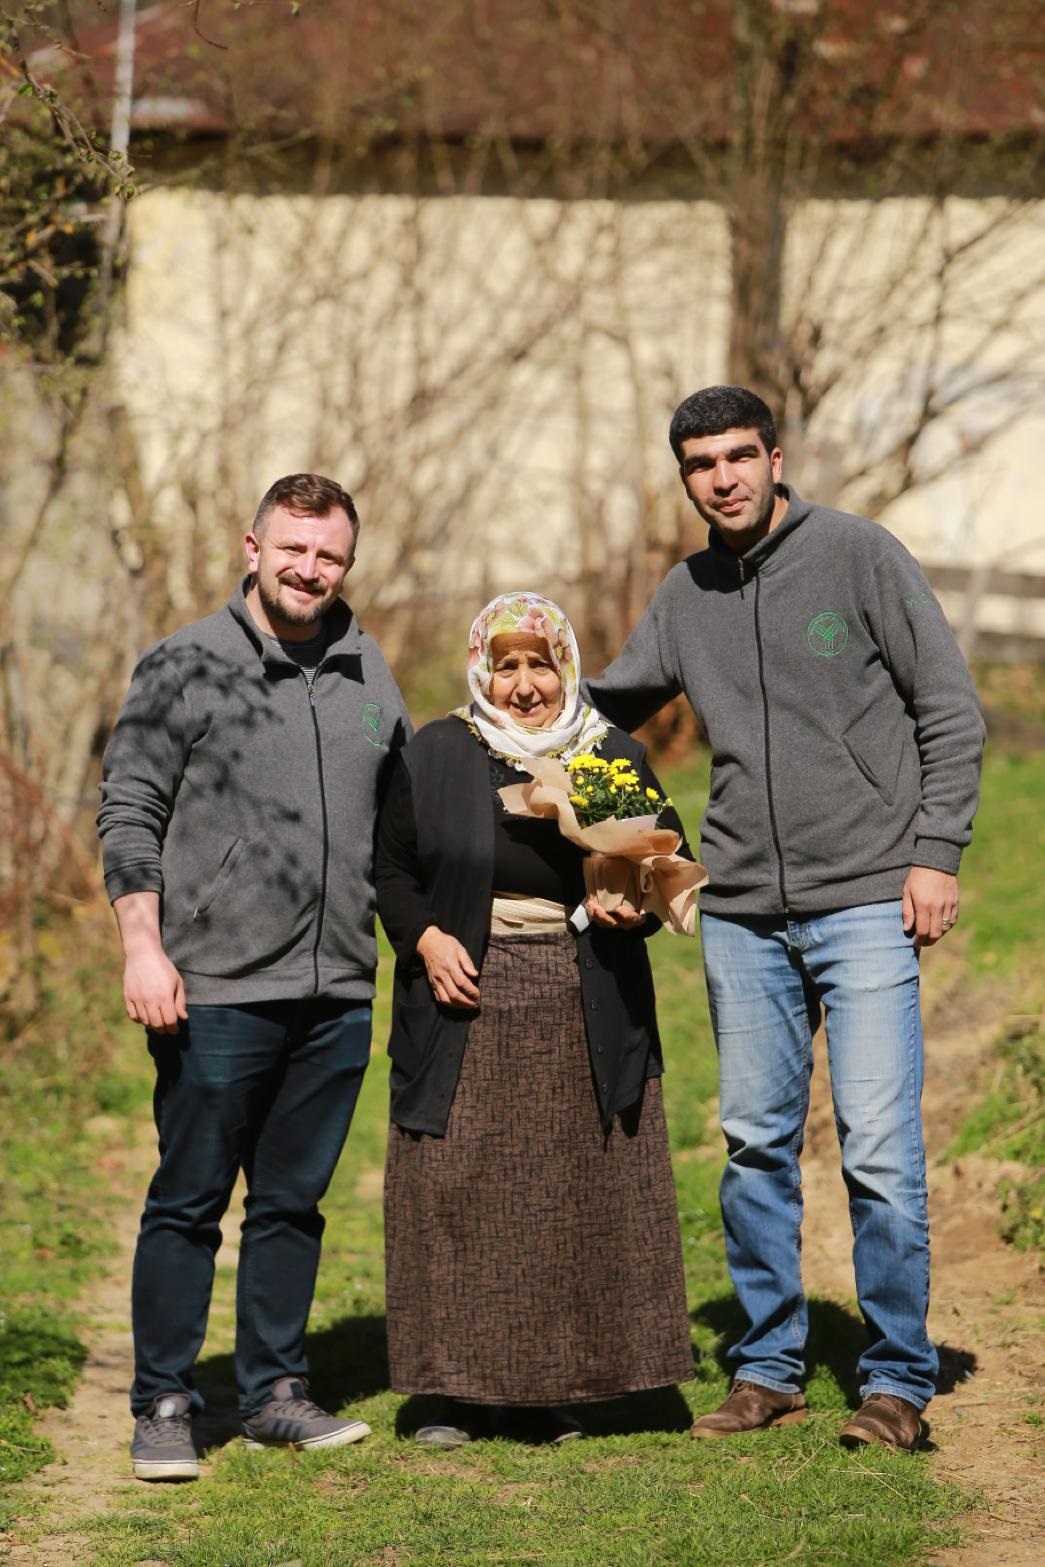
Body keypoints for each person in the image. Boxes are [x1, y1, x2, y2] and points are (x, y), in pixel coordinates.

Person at [584, 386, 985, 1452]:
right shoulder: (686, 590)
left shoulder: (857, 555)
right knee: (754, 1144)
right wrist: (503, 703)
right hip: (744, 912)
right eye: (699, 464)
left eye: (737, 457)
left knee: (879, 1150)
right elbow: (611, 704)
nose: (721, 478)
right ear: (684, 478)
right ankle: (769, 1366)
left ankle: (897, 1380)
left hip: (865, 896)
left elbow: (946, 703)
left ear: (774, 457)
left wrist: (934, 851)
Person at [97, 473, 410, 1480]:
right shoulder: (185, 664)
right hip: (216, 987)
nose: (309, 569)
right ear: (252, 545)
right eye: (293, 549)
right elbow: (129, 809)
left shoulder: (370, 669)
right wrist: (143, 945)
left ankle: (275, 1390)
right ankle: (165, 1401)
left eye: (328, 555)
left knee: (291, 1203)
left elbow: (405, 825)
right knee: (190, 1200)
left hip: (337, 990)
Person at [374, 591, 693, 1447]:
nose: (523, 685)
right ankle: (447, 1391)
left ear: (566, 669)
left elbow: (665, 863)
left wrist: (628, 897)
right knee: (454, 1188)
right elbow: (391, 870)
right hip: (463, 997)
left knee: (561, 1194)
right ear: (481, 668)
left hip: (576, 991)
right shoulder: (440, 751)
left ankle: (551, 1387)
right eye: (506, 665)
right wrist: (427, 937)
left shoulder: (602, 751)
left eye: (539, 664)